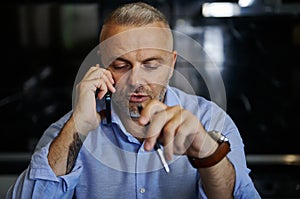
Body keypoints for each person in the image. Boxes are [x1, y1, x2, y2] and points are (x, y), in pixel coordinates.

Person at [6, 2, 260, 199]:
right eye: (120, 65)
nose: (136, 80)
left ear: (171, 65)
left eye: (151, 65)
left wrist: (207, 152)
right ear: (102, 67)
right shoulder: (68, 130)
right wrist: (79, 126)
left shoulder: (210, 120)